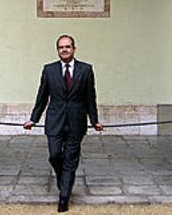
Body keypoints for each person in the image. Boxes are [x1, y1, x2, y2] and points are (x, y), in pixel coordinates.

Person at [24, 34, 103, 212]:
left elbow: (91, 98)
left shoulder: (86, 70)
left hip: (76, 122)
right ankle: (63, 180)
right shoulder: (49, 70)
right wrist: (33, 119)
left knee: (70, 160)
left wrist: (95, 120)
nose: (64, 50)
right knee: (54, 155)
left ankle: (64, 197)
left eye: (67, 46)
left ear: (74, 48)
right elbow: (42, 97)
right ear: (57, 50)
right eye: (61, 47)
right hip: (54, 121)